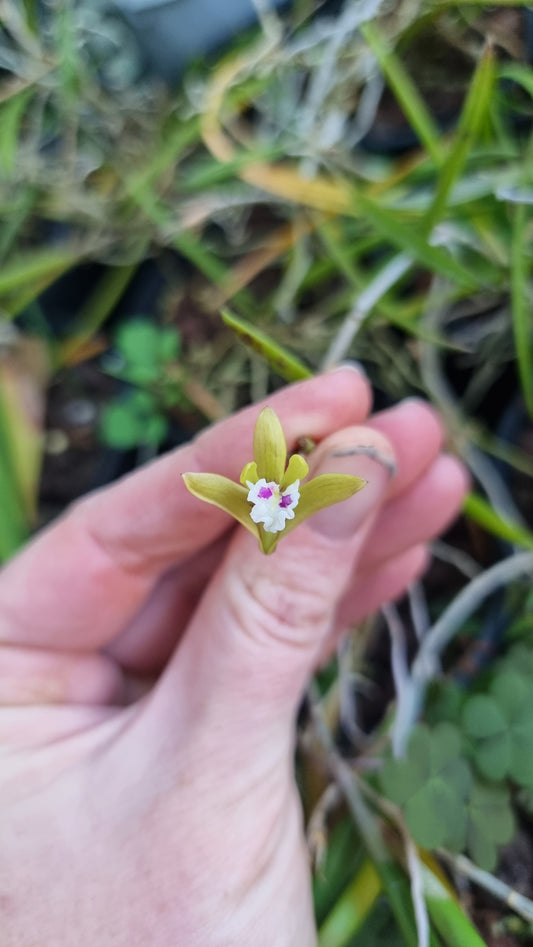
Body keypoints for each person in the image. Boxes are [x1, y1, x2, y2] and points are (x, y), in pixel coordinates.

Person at [0, 367, 468, 946]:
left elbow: (274, 511)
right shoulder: (268, 496)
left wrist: (280, 539)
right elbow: (239, 501)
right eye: (267, 493)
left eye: (275, 493)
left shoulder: (293, 494)